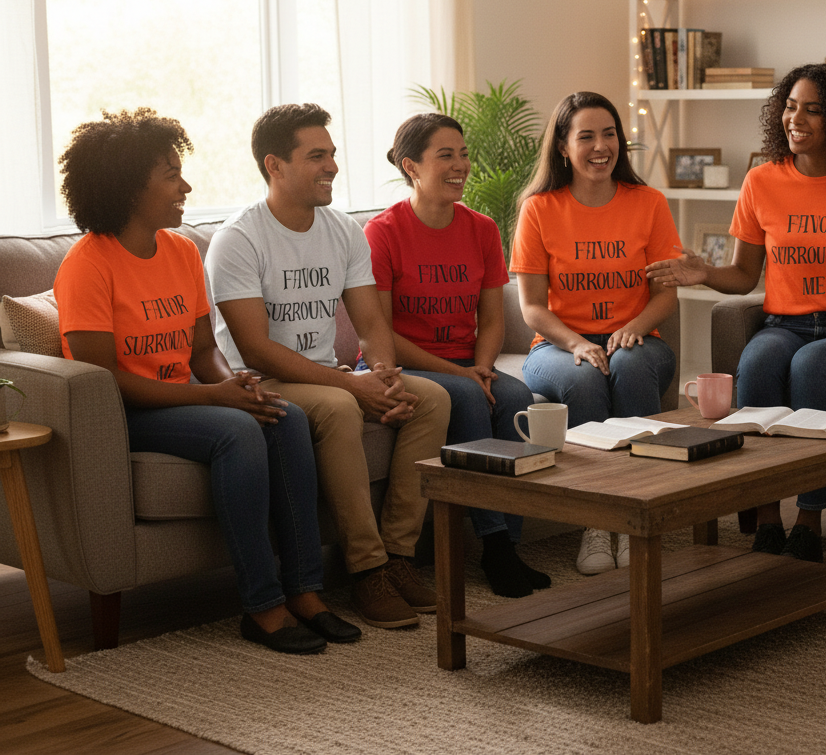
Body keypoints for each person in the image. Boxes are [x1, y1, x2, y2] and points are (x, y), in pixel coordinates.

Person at [54, 108, 360, 654]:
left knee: (283, 416)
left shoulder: (180, 251)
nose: (185, 187)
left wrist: (236, 386)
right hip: (125, 411)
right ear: (129, 188)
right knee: (236, 432)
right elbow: (104, 380)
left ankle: (305, 591)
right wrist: (214, 398)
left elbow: (201, 350)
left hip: (186, 399)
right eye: (171, 175)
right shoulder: (88, 265)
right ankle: (262, 607)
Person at [646, 62, 826, 563]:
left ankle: (810, 519)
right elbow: (744, 275)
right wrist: (704, 272)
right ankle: (767, 517)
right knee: (757, 363)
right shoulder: (761, 181)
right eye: (790, 107)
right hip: (784, 323)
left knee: (811, 366)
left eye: (813, 110)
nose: (796, 119)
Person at [205, 104, 452, 629]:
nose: (333, 167)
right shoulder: (239, 239)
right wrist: (354, 387)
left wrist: (383, 374)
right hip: (264, 382)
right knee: (340, 406)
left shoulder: (343, 230)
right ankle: (367, 569)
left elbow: (371, 323)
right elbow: (255, 349)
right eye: (317, 156)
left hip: (327, 374)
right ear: (275, 165)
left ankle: (399, 556)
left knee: (432, 398)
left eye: (332, 154)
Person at [363, 113, 550, 598]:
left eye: (463, 154)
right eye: (445, 155)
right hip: (406, 364)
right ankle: (495, 546)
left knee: (517, 397)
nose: (460, 165)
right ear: (411, 166)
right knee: (466, 396)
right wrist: (462, 375)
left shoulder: (481, 229)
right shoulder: (383, 232)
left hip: (467, 363)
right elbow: (379, 331)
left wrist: (482, 367)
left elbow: (492, 318)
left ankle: (510, 542)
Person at [511, 91, 679, 576]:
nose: (600, 146)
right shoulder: (539, 209)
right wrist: (579, 343)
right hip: (557, 346)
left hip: (640, 341)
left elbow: (666, 296)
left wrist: (633, 328)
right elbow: (532, 307)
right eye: (586, 136)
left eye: (609, 134)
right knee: (584, 376)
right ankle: (597, 522)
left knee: (629, 365)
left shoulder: (648, 203)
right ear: (563, 147)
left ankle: (645, 513)